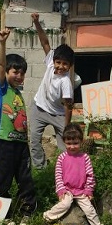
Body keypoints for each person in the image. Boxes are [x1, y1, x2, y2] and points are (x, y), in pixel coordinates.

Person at [0, 29, 36, 225]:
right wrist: (2, 43)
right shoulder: (3, 89)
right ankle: (4, 214)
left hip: (21, 145)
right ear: (7, 73)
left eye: (22, 73)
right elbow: (1, 65)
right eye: (15, 72)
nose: (19, 75)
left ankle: (27, 212)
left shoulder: (18, 94)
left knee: (25, 179)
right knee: (3, 180)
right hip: (6, 144)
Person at [29, 12, 75, 169]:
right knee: (34, 140)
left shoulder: (65, 82)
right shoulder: (50, 63)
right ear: (53, 60)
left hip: (58, 115)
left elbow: (68, 105)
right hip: (39, 108)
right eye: (58, 62)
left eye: (65, 64)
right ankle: (40, 168)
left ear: (70, 66)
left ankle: (68, 169)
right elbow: (44, 41)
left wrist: (67, 126)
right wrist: (36, 23)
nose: (61, 66)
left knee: (66, 146)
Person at [43, 124, 105, 225]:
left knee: (89, 209)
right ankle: (47, 216)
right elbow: (58, 175)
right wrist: (61, 190)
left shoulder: (85, 158)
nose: (72, 146)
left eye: (75, 143)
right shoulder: (62, 158)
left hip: (81, 190)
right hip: (67, 190)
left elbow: (90, 175)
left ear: (81, 141)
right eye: (69, 143)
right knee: (65, 204)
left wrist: (89, 190)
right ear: (64, 142)